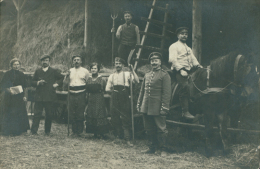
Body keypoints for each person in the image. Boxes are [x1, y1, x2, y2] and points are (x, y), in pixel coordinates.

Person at [137, 52, 171, 156]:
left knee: (161, 128)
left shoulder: (165, 75)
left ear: (160, 62)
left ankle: (163, 149)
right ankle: (152, 148)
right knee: (148, 128)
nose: (154, 63)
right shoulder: (147, 75)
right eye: (152, 61)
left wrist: (164, 107)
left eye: (156, 61)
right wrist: (139, 103)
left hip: (158, 106)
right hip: (146, 106)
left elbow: (167, 93)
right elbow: (142, 91)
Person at [168, 27, 202, 119]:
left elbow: (193, 59)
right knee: (185, 86)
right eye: (182, 33)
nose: (184, 35)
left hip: (189, 70)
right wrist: (180, 70)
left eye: (186, 34)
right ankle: (185, 111)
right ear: (178, 35)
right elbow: (173, 60)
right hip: (178, 70)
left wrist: (198, 66)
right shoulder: (174, 46)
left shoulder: (188, 48)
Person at [106, 57, 139, 146]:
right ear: (114, 65)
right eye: (116, 63)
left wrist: (133, 70)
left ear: (123, 65)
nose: (118, 65)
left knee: (125, 117)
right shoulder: (111, 76)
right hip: (115, 95)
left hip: (124, 96)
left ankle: (127, 139)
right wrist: (113, 93)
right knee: (114, 116)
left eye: (120, 64)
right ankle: (118, 138)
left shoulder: (128, 74)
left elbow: (137, 81)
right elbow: (107, 89)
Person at [31, 55, 63, 135]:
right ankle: (34, 131)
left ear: (49, 61)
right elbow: (32, 82)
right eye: (43, 60)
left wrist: (56, 84)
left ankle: (47, 131)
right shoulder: (37, 71)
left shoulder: (53, 71)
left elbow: (61, 78)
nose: (45, 62)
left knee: (49, 114)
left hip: (49, 96)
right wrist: (38, 83)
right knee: (37, 114)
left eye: (46, 60)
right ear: (41, 62)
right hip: (39, 96)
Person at [0, 58, 30, 136]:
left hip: (18, 97)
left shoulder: (22, 74)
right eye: (14, 64)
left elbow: (25, 86)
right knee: (8, 112)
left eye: (18, 64)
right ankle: (7, 130)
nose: (16, 66)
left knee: (17, 112)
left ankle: (17, 131)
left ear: (20, 65)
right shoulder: (7, 74)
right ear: (11, 65)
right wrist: (9, 90)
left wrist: (25, 96)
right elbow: (3, 85)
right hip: (9, 97)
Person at [65, 55, 89, 137]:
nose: (76, 61)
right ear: (72, 62)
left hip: (81, 93)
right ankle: (73, 131)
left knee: (80, 112)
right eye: (74, 60)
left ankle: (80, 131)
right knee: (72, 112)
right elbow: (65, 82)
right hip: (71, 93)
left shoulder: (85, 71)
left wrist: (86, 94)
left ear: (81, 61)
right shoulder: (70, 71)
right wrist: (67, 76)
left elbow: (88, 83)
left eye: (78, 60)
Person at [85, 62, 109, 138]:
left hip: (99, 99)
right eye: (92, 68)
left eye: (95, 68)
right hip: (91, 99)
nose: (93, 70)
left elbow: (105, 89)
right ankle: (94, 133)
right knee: (92, 113)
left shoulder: (102, 79)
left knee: (99, 114)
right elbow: (87, 90)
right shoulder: (88, 79)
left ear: (98, 69)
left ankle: (101, 133)